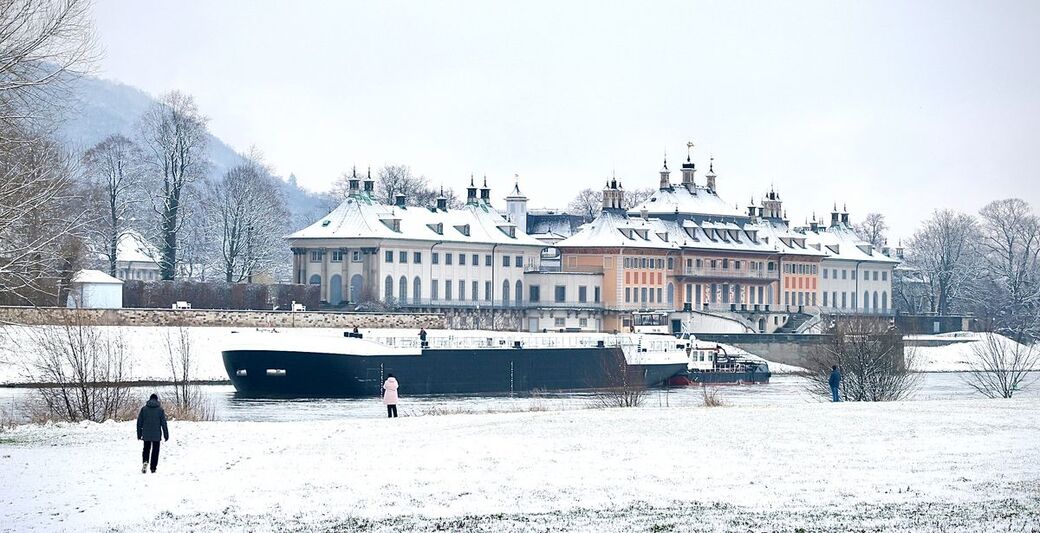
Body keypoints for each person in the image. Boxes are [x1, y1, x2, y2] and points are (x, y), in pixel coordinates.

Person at [136, 393, 169, 473]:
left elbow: (139, 422)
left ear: (149, 399)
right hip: (156, 435)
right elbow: (164, 423)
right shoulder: (160, 410)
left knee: (146, 449)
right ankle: (153, 468)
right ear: (157, 400)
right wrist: (166, 435)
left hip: (146, 434)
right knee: (155, 450)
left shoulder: (144, 409)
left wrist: (139, 434)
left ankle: (145, 461)